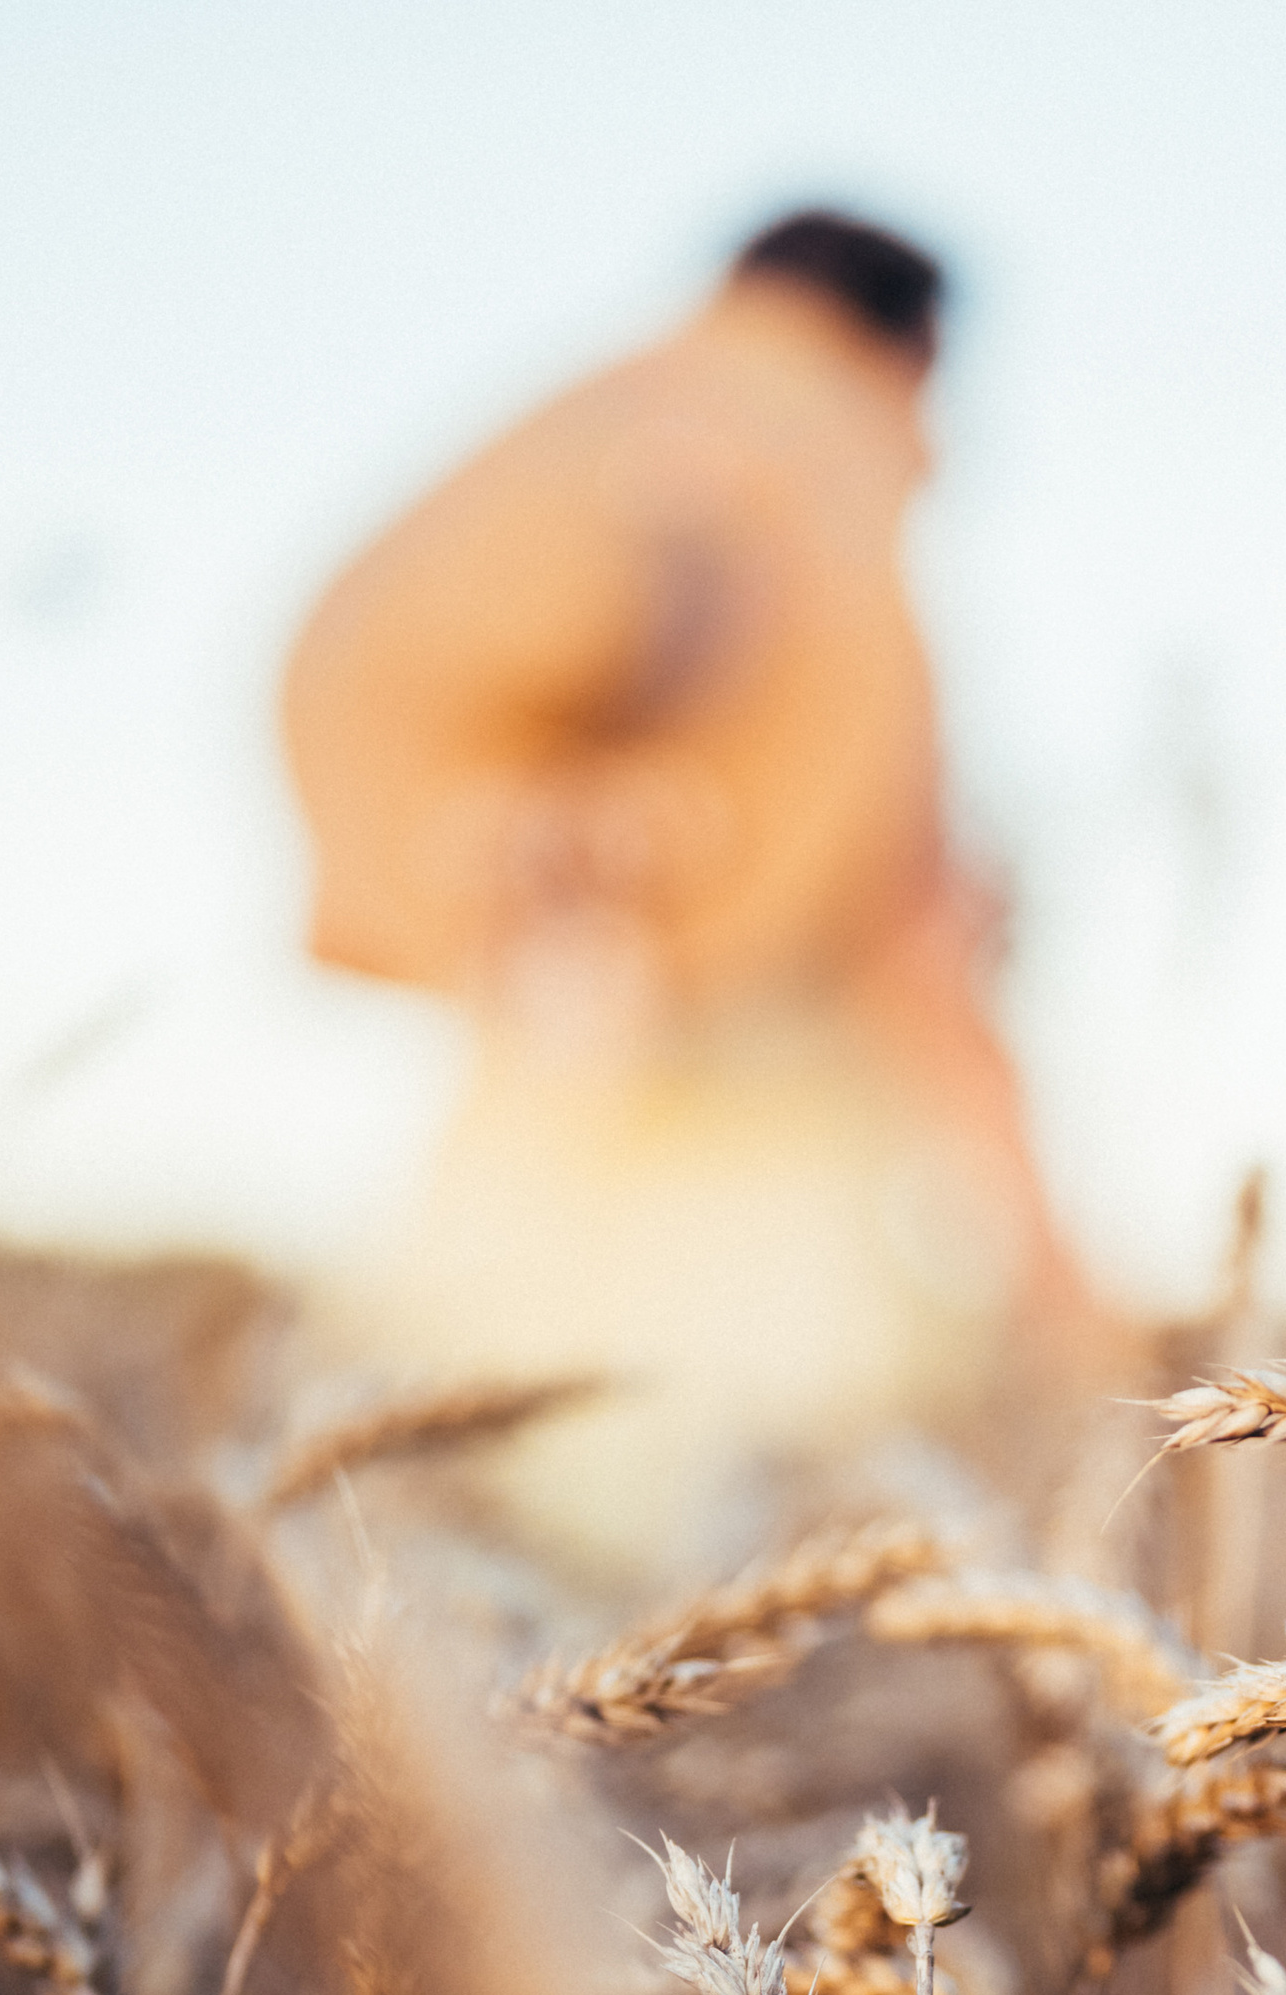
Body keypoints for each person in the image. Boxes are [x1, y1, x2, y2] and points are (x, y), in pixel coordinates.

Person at [283, 207, 1099, 1578]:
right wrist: (1063, 1288)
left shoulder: (564, 453)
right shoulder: (837, 529)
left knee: (442, 1597)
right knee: (733, 1628)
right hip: (765, 1214)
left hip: (519, 1143)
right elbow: (922, 943)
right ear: (904, 359)